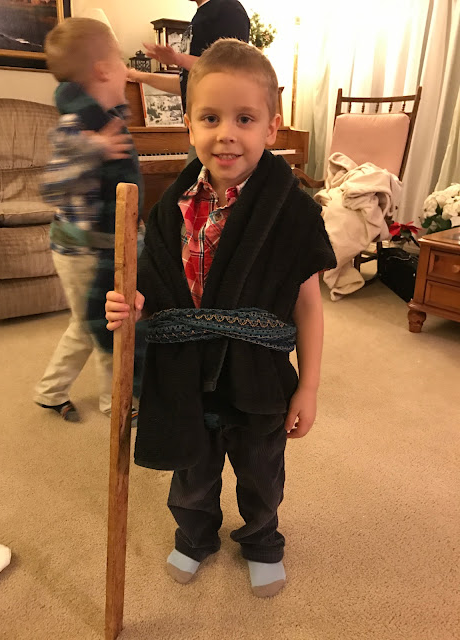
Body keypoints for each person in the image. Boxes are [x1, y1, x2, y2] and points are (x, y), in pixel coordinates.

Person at [104, 39, 336, 597]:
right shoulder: (171, 206)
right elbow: (156, 285)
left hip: (257, 374)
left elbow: (307, 303)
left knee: (261, 470)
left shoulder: (293, 212)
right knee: (191, 470)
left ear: (271, 128)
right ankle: (194, 536)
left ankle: (261, 539)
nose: (226, 133)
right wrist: (132, 305)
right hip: (186, 371)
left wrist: (308, 387)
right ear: (188, 125)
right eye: (210, 118)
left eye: (245, 119)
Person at [34, 18, 143, 422]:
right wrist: (93, 148)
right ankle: (115, 402)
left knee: (92, 322)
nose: (127, 71)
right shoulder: (75, 128)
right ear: (102, 70)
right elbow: (50, 187)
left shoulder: (107, 117)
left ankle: (52, 391)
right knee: (103, 323)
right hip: (80, 250)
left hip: (100, 245)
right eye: (121, 62)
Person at [128, 0, 250, 154]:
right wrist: (138, 76)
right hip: (200, 133)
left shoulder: (229, 9)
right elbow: (186, 85)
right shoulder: (201, 15)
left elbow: (229, 70)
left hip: (221, 136)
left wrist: (177, 59)